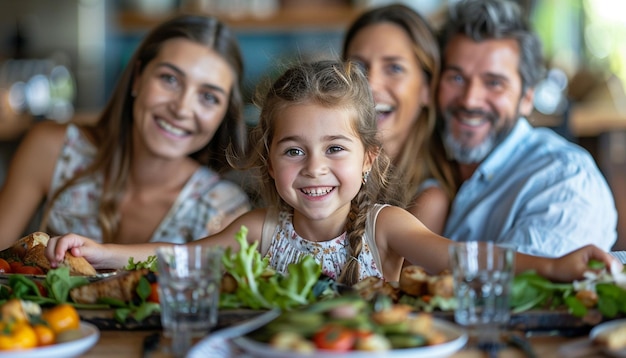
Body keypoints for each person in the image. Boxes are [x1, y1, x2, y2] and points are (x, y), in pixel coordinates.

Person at [45, 60, 620, 285]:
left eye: (336, 149)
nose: (314, 168)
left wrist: (551, 264)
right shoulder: (264, 228)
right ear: (268, 158)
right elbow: (182, 256)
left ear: (368, 159)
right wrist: (100, 250)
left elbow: (463, 258)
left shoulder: (386, 226)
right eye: (293, 150)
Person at [0, 14, 250, 248]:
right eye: (170, 79)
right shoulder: (53, 150)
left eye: (208, 97)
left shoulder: (224, 210)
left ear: (224, 113)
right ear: (138, 78)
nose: (182, 109)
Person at [436, 0, 617, 256]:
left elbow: (524, 292)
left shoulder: (564, 180)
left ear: (527, 98)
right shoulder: (433, 162)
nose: (469, 99)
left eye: (494, 83)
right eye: (456, 78)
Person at [342, 4, 458, 234]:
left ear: (427, 88)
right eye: (358, 66)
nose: (371, 83)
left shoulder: (428, 200)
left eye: (394, 68)